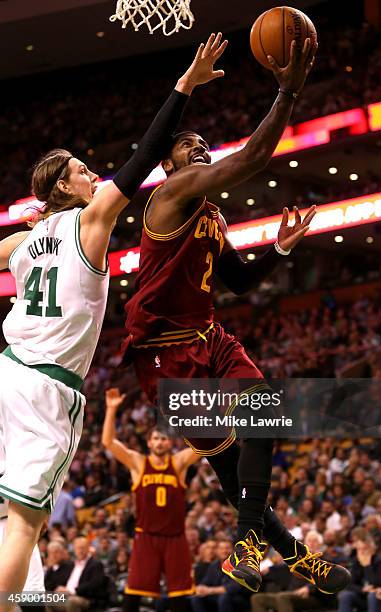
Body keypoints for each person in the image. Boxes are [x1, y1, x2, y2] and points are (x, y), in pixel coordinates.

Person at [0, 33, 227, 610]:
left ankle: (26, 602)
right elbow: (145, 156)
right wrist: (185, 86)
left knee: (10, 517)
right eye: (79, 169)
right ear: (60, 189)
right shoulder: (92, 219)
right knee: (27, 523)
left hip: (6, 371)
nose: (92, 172)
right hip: (48, 385)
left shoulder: (21, 241)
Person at [121, 35, 350, 595]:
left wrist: (281, 249)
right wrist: (287, 94)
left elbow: (239, 283)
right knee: (230, 476)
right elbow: (251, 157)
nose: (198, 149)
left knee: (263, 416)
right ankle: (298, 559)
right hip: (166, 356)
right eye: (188, 145)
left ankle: (248, 545)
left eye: (203, 144)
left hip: (210, 337)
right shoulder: (171, 195)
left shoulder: (212, 215)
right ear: (170, 164)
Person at [102, 388, 200, 612]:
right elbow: (108, 442)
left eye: (164, 439)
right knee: (134, 594)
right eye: (155, 438)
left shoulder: (178, 463)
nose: (160, 442)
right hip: (146, 536)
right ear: (149, 443)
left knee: (180, 596)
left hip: (176, 537)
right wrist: (111, 409)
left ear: (170, 443)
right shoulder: (138, 463)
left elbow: (206, 444)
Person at [250, 531, 338, 612]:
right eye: (309, 541)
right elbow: (283, 567)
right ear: (305, 544)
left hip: (312, 597)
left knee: (283, 597)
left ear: (320, 545)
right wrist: (269, 569)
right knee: (257, 598)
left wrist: (308, 588)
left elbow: (325, 579)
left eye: (314, 541)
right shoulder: (298, 561)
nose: (311, 543)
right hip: (291, 594)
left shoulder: (324, 562)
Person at [46, 537, 107, 612]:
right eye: (78, 548)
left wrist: (73, 591)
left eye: (82, 548)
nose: (80, 551)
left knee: (71, 601)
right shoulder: (71, 564)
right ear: (74, 550)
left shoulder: (95, 564)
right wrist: (59, 588)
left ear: (88, 548)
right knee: (45, 599)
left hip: (85, 597)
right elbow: (59, 579)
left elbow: (95, 583)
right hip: (66, 595)